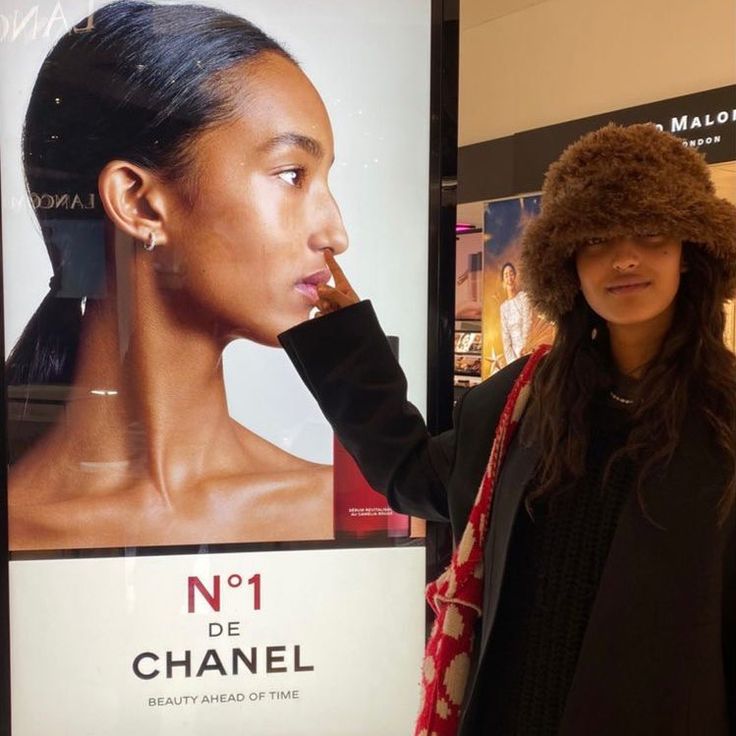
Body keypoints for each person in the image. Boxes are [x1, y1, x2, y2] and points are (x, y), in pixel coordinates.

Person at [279, 123, 736, 735]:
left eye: (651, 233)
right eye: (597, 238)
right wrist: (347, 346)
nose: (625, 258)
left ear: (690, 250)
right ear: (567, 263)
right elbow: (417, 477)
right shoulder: (525, 402)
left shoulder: (723, 417)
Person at [7, 0, 348, 550]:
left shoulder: (344, 512)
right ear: (139, 203)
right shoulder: (19, 531)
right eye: (292, 174)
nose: (336, 234)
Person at [498, 261, 532, 364]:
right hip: (512, 358)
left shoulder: (524, 297)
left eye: (511, 274)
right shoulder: (503, 307)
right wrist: (511, 361)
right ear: (503, 281)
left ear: (515, 276)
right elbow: (506, 337)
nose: (509, 278)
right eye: (506, 275)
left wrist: (524, 348)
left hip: (527, 349)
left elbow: (528, 322)